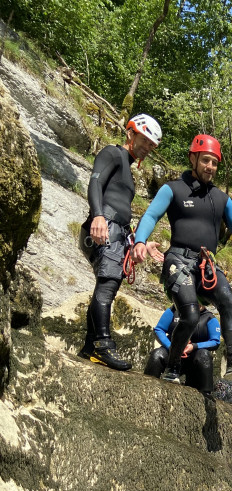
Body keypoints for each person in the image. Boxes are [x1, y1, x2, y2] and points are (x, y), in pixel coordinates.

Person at [132, 133, 232, 382]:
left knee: (228, 300)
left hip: (206, 263)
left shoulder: (221, 199)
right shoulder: (172, 189)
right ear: (192, 158)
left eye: (214, 162)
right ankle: (172, 366)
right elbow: (151, 215)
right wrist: (140, 240)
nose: (210, 166)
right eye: (205, 160)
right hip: (178, 261)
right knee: (191, 315)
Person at [79, 113, 163, 370]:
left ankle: (90, 347)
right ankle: (103, 345)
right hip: (104, 226)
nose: (148, 147)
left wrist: (138, 242)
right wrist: (98, 215)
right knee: (108, 284)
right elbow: (95, 182)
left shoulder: (127, 167)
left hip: (116, 231)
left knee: (107, 284)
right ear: (130, 133)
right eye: (145, 140)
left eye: (152, 145)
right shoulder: (113, 153)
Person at [144, 304, 220, 392]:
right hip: (171, 354)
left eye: (201, 301)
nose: (198, 303)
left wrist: (194, 346)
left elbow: (215, 341)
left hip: (193, 359)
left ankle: (206, 393)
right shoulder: (173, 310)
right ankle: (147, 387)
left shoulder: (210, 318)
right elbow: (159, 329)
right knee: (157, 354)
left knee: (204, 355)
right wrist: (172, 347)